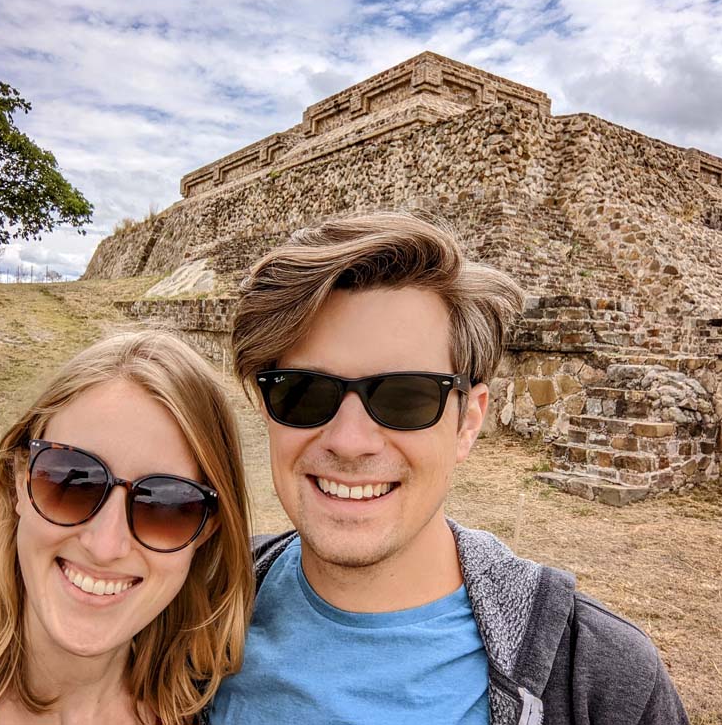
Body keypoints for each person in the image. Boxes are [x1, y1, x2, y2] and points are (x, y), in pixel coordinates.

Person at [211, 213, 689, 724]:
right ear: (266, 409)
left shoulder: (605, 682)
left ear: (468, 422)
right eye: (302, 393)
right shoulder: (195, 609)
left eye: (405, 397)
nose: (349, 442)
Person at [0, 331, 253, 725]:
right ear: (19, 480)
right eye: (72, 481)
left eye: (167, 504)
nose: (105, 545)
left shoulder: (203, 705)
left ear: (207, 530)